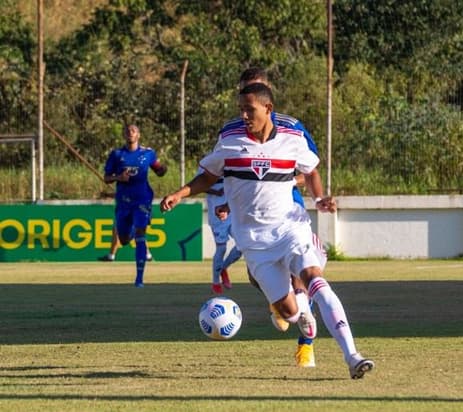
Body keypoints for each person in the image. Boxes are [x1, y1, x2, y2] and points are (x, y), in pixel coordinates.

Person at [160, 83, 374, 379]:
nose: (244, 115)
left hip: (290, 229)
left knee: (315, 279)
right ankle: (302, 309)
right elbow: (207, 177)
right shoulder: (231, 143)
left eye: (250, 109)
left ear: (268, 109)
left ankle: (353, 356)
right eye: (241, 110)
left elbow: (310, 169)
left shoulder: (291, 140)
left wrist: (319, 198)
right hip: (254, 243)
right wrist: (180, 194)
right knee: (289, 313)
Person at [217, 66, 321, 368]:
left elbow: (308, 170)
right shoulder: (231, 130)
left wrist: (279, 178)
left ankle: (306, 345)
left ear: (268, 96)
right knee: (255, 275)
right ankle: (282, 303)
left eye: (257, 89)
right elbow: (232, 172)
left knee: (303, 275)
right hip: (252, 218)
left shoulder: (293, 128)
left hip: (288, 211)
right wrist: (227, 199)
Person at [103, 124, 167, 287]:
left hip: (142, 199)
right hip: (124, 201)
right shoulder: (117, 155)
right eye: (128, 131)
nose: (130, 133)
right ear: (124, 135)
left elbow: (159, 169)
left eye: (133, 131)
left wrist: (162, 169)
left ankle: (139, 278)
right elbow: (107, 177)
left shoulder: (148, 154)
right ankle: (131, 229)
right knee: (124, 239)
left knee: (141, 233)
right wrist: (119, 177)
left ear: (138, 135)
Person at [204, 174, 242, 294]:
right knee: (221, 248)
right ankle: (215, 282)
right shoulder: (208, 164)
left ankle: (223, 268)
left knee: (242, 245)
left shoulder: (230, 162)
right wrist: (215, 191)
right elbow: (200, 186)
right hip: (217, 214)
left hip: (232, 212)